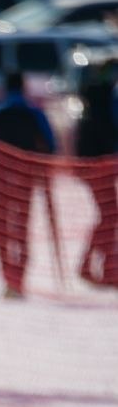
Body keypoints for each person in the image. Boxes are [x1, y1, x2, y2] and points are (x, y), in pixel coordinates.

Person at [0, 70, 56, 299]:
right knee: (22, 227)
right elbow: (50, 143)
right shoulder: (34, 111)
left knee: (2, 228)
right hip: (26, 177)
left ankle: (8, 279)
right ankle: (19, 280)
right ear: (23, 87)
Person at [74, 59, 118, 288]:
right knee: (110, 216)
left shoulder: (89, 104)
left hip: (93, 167)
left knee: (109, 216)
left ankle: (98, 266)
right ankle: (104, 269)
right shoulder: (104, 105)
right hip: (102, 167)